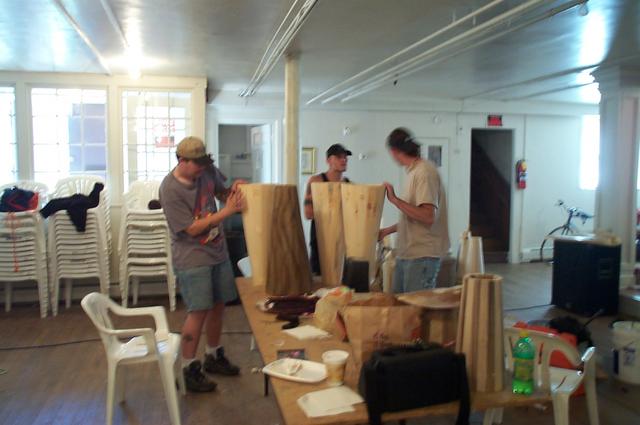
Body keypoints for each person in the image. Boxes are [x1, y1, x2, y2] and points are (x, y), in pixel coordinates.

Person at [159, 136, 246, 393]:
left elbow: (220, 192)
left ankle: (213, 355)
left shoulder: (206, 170)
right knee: (198, 311)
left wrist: (233, 191)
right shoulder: (170, 189)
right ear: (181, 161)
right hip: (192, 258)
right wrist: (226, 212)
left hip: (217, 252)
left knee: (219, 305)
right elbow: (191, 228)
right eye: (196, 164)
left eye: (203, 163)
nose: (201, 168)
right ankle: (188, 369)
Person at [378, 128, 449, 293]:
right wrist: (387, 231)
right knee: (400, 304)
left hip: (422, 256)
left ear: (394, 151)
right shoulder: (413, 171)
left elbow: (428, 216)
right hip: (408, 254)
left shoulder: (424, 172)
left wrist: (395, 200)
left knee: (414, 307)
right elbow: (413, 216)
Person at [303, 144, 352, 274]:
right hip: (320, 239)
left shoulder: (349, 185)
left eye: (345, 157)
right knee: (319, 277)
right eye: (339, 157)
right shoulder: (316, 181)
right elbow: (308, 213)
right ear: (329, 160)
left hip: (342, 240)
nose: (344, 160)